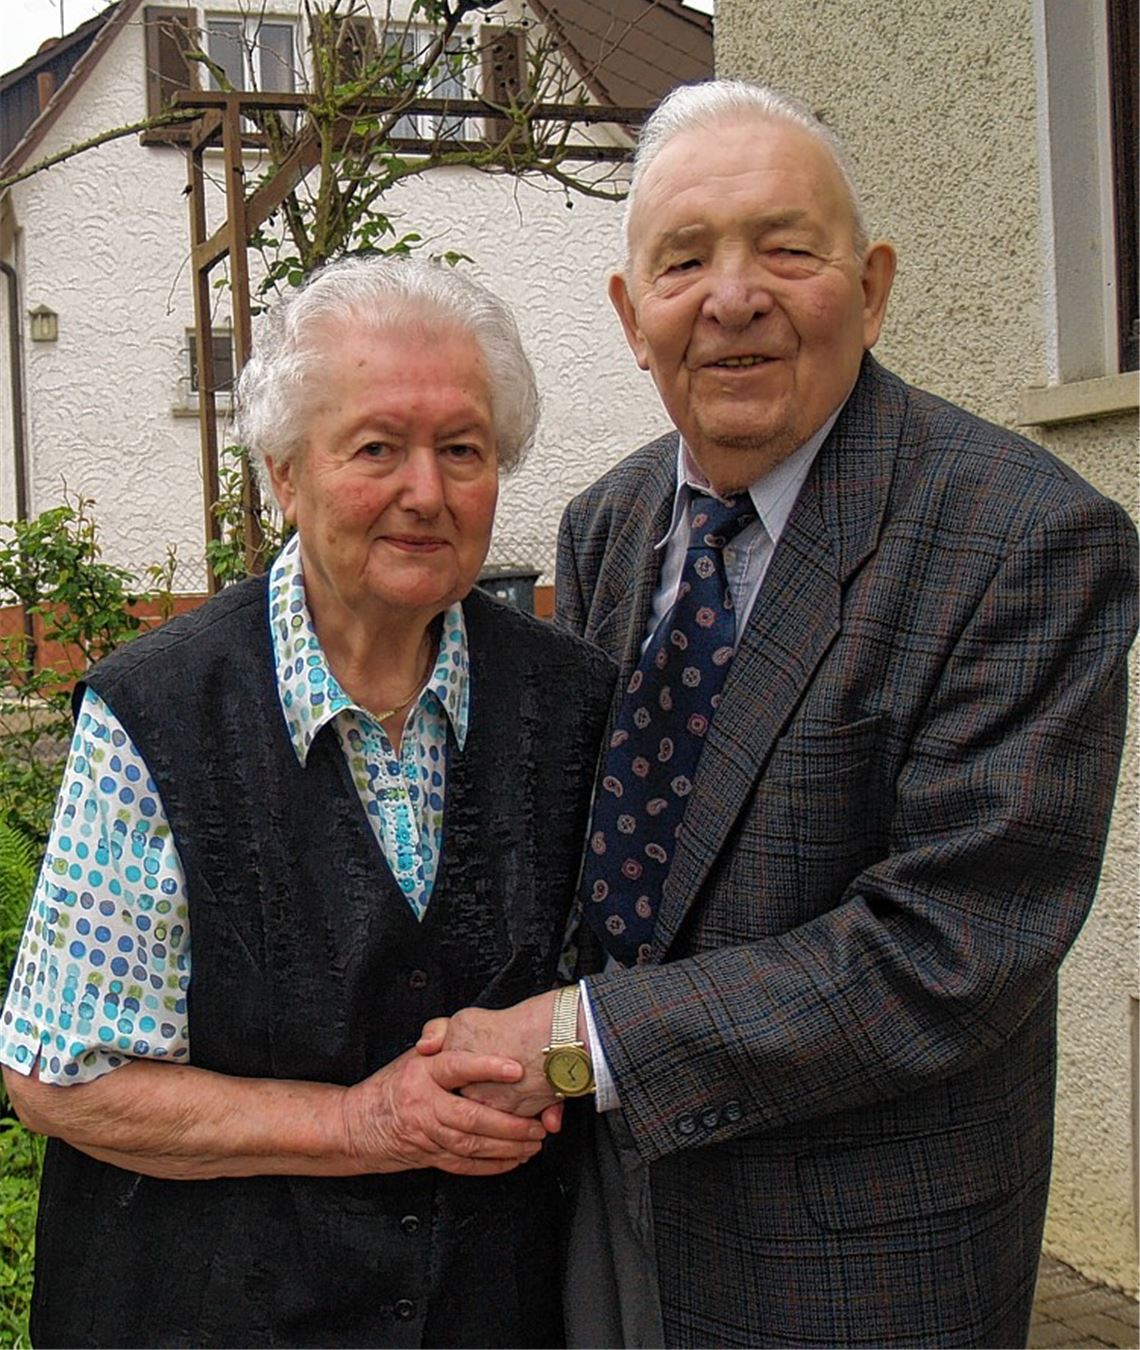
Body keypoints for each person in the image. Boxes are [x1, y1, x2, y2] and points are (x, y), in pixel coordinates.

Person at [421, 80, 1140, 1348]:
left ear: (870, 287)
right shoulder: (610, 523)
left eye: (786, 250)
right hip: (608, 1199)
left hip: (856, 1264)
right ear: (631, 315)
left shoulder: (1026, 540)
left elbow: (949, 953)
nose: (733, 297)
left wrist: (584, 1041)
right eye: (684, 260)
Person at [0, 255, 617, 1348]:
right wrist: (360, 1122)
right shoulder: (161, 711)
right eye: (377, 447)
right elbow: (64, 1075)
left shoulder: (570, 702)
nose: (425, 492)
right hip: (207, 1312)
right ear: (285, 476)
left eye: (462, 451)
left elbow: (621, 997)